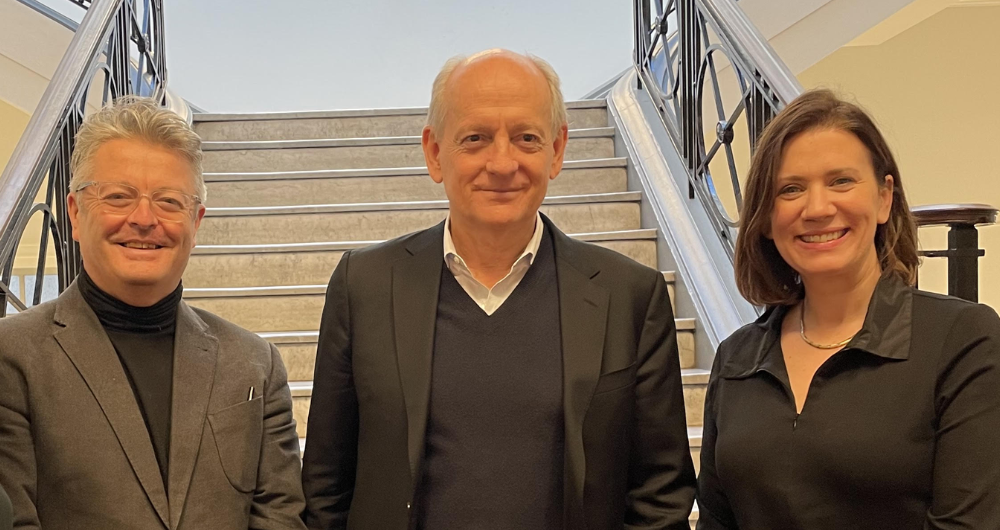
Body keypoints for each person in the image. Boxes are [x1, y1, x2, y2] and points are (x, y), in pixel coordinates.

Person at [301, 49, 696, 529]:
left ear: (556, 151)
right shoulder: (362, 286)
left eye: (526, 138)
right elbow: (325, 487)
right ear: (434, 152)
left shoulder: (630, 296)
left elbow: (661, 492)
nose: (503, 162)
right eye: (476, 138)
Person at [696, 89, 1000, 529]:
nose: (818, 208)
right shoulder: (736, 359)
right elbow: (717, 521)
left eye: (841, 181)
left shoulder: (963, 339)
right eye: (791, 189)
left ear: (883, 198)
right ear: (764, 217)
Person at [0, 97, 307, 530]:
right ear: (74, 212)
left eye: (168, 201)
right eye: (119, 196)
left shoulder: (256, 364)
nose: (144, 219)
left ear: (196, 222)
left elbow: (282, 517)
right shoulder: (11, 357)